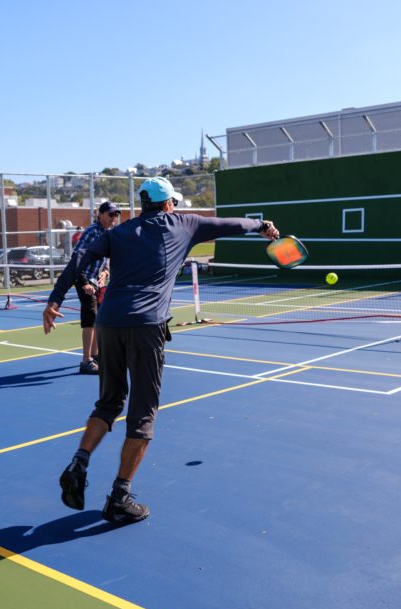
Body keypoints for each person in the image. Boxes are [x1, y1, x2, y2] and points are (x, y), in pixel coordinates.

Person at [42, 177, 279, 524]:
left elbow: (80, 258)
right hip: (146, 327)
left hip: (109, 324)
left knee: (108, 403)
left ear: (142, 205)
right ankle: (119, 497)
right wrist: (263, 226)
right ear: (169, 204)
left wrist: (54, 299)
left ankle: (79, 460)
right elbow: (232, 224)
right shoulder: (186, 224)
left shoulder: (119, 233)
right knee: (142, 414)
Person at [70, 201, 122, 374]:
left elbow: (106, 259)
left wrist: (105, 273)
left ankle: (96, 354)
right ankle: (86, 361)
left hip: (98, 280)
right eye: (110, 214)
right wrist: (84, 281)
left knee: (99, 317)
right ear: (100, 214)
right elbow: (76, 257)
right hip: (83, 277)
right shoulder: (92, 232)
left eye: (116, 215)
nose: (113, 218)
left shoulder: (109, 233)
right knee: (90, 315)